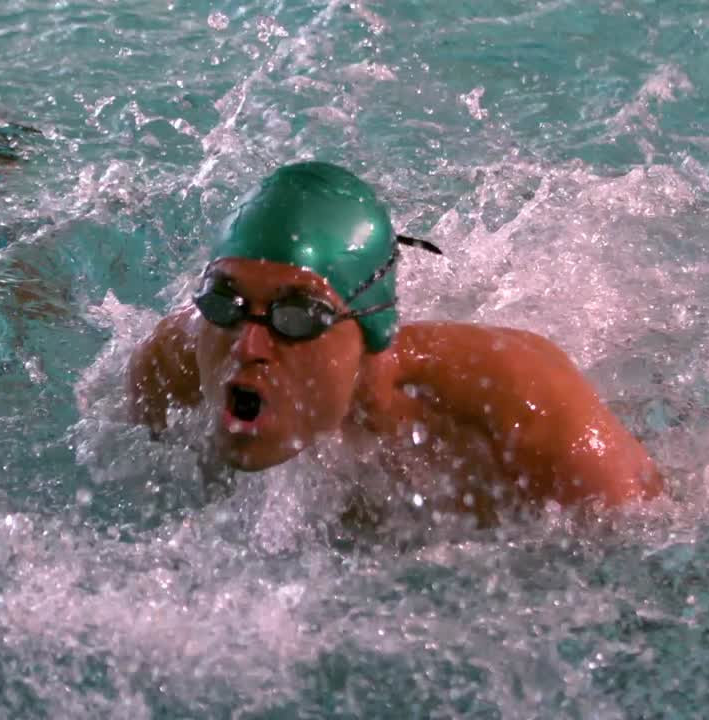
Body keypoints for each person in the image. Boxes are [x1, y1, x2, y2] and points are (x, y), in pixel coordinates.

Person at [127, 161, 661, 524]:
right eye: (225, 302)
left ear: (371, 327)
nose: (248, 346)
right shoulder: (171, 367)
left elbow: (657, 539)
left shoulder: (526, 405)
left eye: (298, 316)